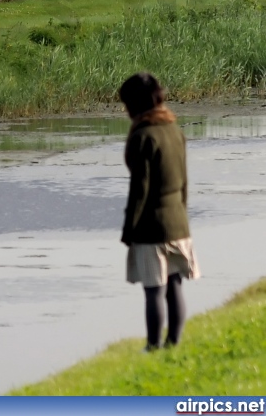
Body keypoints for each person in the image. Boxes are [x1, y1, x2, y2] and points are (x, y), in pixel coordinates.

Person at [119, 72, 200, 350]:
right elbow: (184, 183)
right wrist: (183, 217)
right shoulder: (175, 131)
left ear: (136, 103)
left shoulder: (143, 136)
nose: (125, 110)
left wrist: (129, 230)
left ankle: (153, 346)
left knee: (154, 290)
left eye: (127, 103)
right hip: (178, 222)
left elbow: (139, 190)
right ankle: (173, 343)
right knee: (174, 284)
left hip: (151, 227)